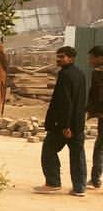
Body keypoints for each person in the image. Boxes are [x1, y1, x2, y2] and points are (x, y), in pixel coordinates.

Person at [35, 45, 87, 196]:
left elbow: (65, 102)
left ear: (71, 58)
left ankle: (53, 182)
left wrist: (65, 125)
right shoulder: (80, 74)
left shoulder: (65, 75)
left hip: (63, 125)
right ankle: (79, 188)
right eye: (57, 56)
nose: (58, 59)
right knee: (77, 154)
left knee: (49, 149)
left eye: (62, 57)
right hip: (78, 122)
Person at [88, 44, 103, 191]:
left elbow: (97, 94)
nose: (90, 61)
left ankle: (95, 180)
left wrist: (90, 111)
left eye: (92, 58)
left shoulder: (98, 73)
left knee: (99, 148)